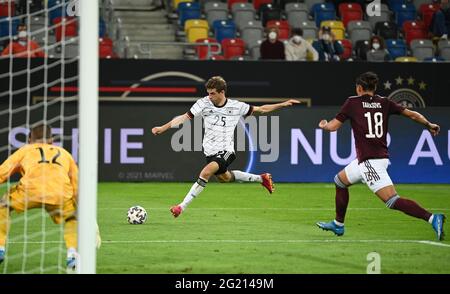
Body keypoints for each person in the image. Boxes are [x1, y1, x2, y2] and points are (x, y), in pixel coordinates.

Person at [316, 72, 445, 241]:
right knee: (339, 181)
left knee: (392, 200)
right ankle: (338, 225)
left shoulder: (352, 102)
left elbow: (333, 127)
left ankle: (432, 218)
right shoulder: (384, 102)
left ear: (359, 88)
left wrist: (324, 125)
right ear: (374, 88)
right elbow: (412, 114)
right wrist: (429, 124)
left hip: (370, 162)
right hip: (370, 160)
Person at [152, 76, 299, 218]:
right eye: (208, 93)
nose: (209, 96)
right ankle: (262, 178)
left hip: (226, 150)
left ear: (222, 92)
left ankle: (181, 206)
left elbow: (262, 109)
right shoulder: (203, 103)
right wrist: (163, 128)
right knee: (225, 178)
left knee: (206, 172)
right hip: (209, 151)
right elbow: (184, 117)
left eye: (213, 93)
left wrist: (282, 104)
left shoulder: (236, 106)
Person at [0, 124, 98, 270]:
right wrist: (90, 219)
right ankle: (72, 255)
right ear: (52, 139)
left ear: (29, 139)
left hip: (30, 191)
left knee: (3, 206)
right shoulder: (65, 153)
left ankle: (0, 247)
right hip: (60, 194)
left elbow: (2, 173)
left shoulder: (25, 150)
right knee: (72, 218)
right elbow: (78, 188)